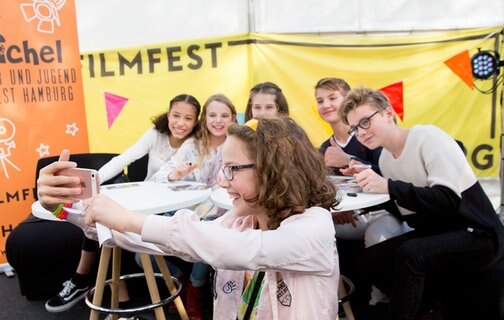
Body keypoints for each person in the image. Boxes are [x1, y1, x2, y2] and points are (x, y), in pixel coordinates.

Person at [37, 116, 341, 319]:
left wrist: (128, 218)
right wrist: (67, 209)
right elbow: (166, 242)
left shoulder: (313, 227)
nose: (222, 182)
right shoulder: (240, 221)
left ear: (275, 170)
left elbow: (239, 249)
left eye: (232, 169)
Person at [339, 86, 504, 319]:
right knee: (369, 259)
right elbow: (408, 209)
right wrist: (365, 187)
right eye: (354, 128)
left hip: (478, 232)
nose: (361, 132)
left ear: (388, 113)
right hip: (438, 232)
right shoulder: (386, 159)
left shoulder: (427, 137)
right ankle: (426, 305)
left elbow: (447, 200)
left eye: (365, 122)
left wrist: (388, 186)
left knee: (410, 254)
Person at [45, 94, 201, 313]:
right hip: (148, 200)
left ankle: (91, 285)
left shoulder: (197, 143)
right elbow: (124, 159)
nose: (180, 123)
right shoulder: (156, 135)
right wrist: (92, 181)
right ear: (168, 115)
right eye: (176, 115)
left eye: (188, 118)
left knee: (112, 226)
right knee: (100, 220)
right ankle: (112, 295)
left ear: (195, 122)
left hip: (175, 208)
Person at [315, 78, 410, 315]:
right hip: (350, 217)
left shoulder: (372, 136)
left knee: (378, 238)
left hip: (386, 212)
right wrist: (333, 210)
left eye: (332, 98)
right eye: (320, 100)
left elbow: (391, 175)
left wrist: (349, 160)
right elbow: (319, 189)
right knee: (312, 229)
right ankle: (327, 302)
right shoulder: (323, 149)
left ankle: (379, 303)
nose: (326, 104)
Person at [149, 93, 237, 319]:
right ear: (204, 119)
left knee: (204, 240)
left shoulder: (237, 146)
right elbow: (158, 177)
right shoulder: (191, 145)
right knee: (143, 253)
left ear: (233, 118)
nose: (218, 120)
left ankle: (195, 291)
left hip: (219, 215)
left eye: (224, 115)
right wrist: (175, 174)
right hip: (186, 212)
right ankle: (177, 280)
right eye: (212, 115)